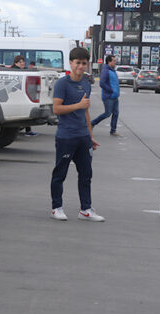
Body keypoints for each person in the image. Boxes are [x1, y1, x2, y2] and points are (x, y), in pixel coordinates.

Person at [50, 47, 104, 222]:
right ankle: (56, 207)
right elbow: (56, 109)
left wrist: (90, 135)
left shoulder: (86, 84)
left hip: (82, 137)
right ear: (71, 63)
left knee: (86, 173)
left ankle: (85, 209)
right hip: (66, 136)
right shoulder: (62, 84)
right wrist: (77, 106)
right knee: (60, 173)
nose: (81, 66)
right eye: (77, 63)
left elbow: (86, 112)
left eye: (83, 63)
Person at [90, 55, 121, 137]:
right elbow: (102, 83)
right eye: (114, 61)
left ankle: (113, 131)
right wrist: (111, 90)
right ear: (109, 62)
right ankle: (92, 123)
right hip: (109, 97)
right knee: (107, 113)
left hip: (115, 96)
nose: (115, 62)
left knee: (116, 113)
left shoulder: (112, 71)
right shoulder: (106, 70)